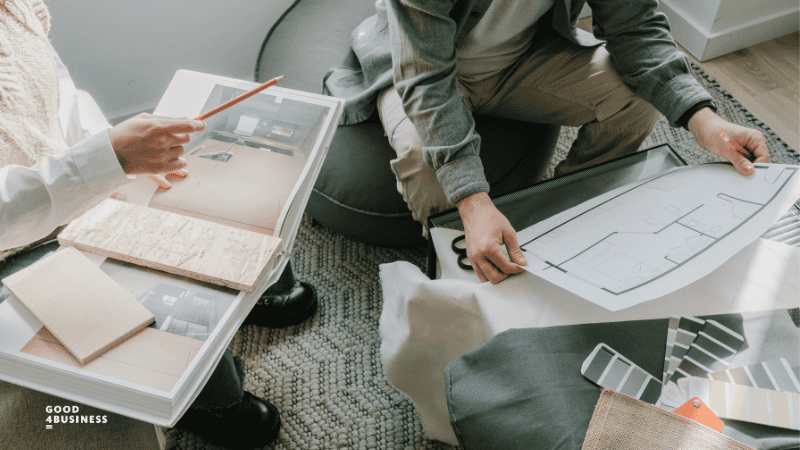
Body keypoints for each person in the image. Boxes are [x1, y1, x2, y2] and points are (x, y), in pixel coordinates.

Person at [0, 1, 314, 448]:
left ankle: (213, 373)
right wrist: (102, 162)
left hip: (66, 193)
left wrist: (117, 158)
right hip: (12, 245)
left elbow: (59, 97)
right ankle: (203, 401)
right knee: (97, 376)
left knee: (204, 211)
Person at [323, 0, 771, 284]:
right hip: (420, 69)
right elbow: (425, 77)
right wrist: (474, 201)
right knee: (428, 165)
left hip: (520, 59)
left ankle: (572, 223)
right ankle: (467, 275)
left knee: (633, 99)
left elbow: (636, 29)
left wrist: (703, 119)